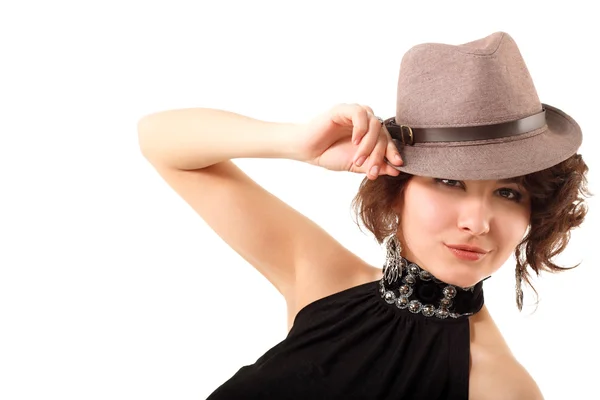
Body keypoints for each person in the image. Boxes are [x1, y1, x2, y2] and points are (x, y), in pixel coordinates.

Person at [137, 31, 589, 399]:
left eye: (509, 192)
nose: (477, 221)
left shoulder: (501, 389)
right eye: (450, 183)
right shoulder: (327, 282)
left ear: (537, 212)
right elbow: (160, 140)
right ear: (396, 189)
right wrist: (297, 144)